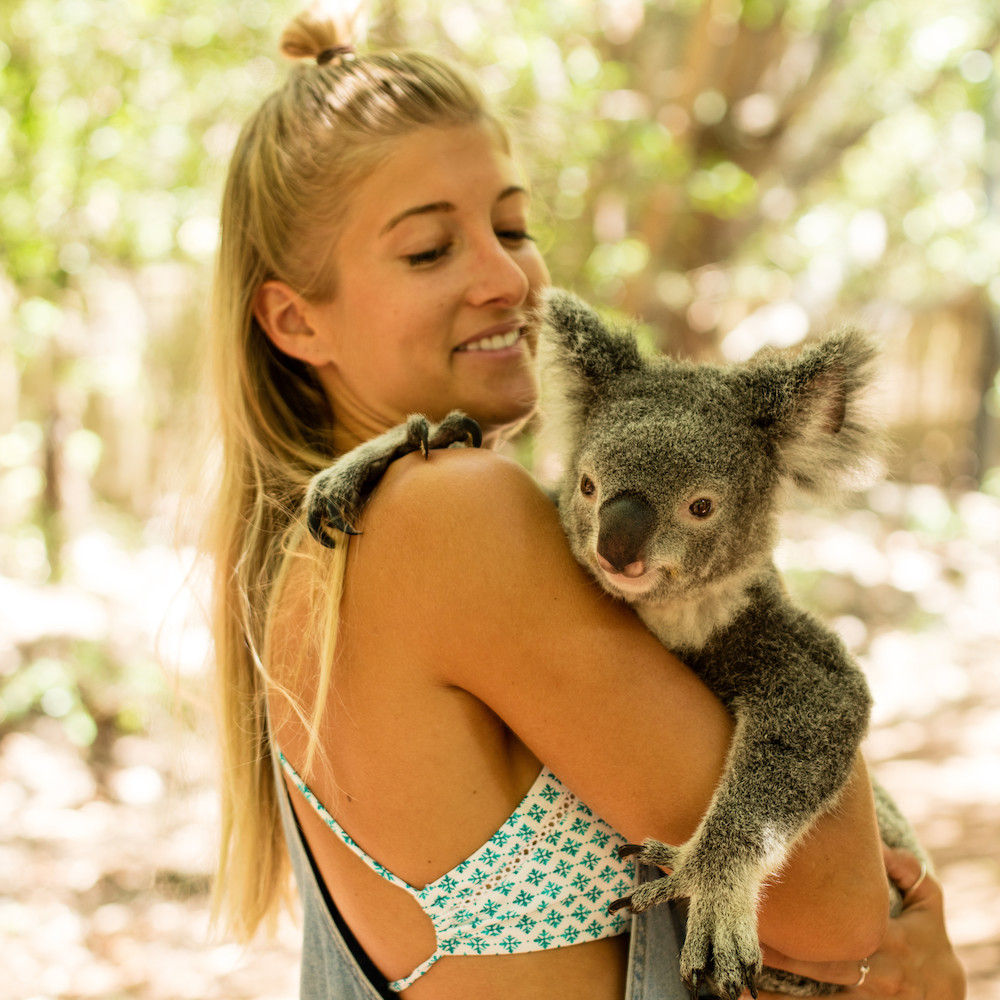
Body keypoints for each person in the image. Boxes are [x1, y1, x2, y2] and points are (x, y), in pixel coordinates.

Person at [205, 4, 966, 999]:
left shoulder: (324, 540)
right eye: (429, 251)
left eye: (512, 227)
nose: (504, 276)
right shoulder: (453, 515)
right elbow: (837, 910)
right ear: (295, 320)